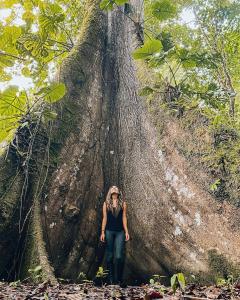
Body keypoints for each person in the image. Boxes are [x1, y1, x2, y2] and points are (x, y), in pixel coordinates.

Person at [100, 185, 130, 286]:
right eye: (112, 187)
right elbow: (104, 218)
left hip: (120, 232)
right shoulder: (106, 204)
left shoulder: (123, 204)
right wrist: (102, 232)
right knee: (109, 256)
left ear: (118, 192)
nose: (114, 188)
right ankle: (111, 279)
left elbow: (124, 218)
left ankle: (119, 279)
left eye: (116, 188)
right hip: (109, 231)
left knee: (118, 256)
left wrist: (126, 232)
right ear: (110, 191)